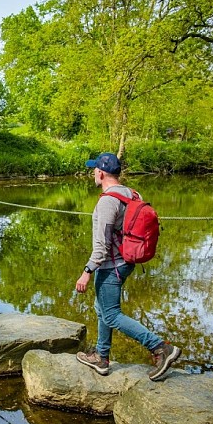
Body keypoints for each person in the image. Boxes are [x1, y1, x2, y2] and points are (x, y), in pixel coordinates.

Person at [74, 152, 181, 381]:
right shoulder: (132, 194)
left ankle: (161, 348)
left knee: (111, 314)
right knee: (102, 308)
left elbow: (101, 247)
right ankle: (101, 357)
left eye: (94, 170)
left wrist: (86, 272)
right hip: (128, 262)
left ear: (101, 173)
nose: (93, 173)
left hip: (110, 266)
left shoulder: (106, 202)